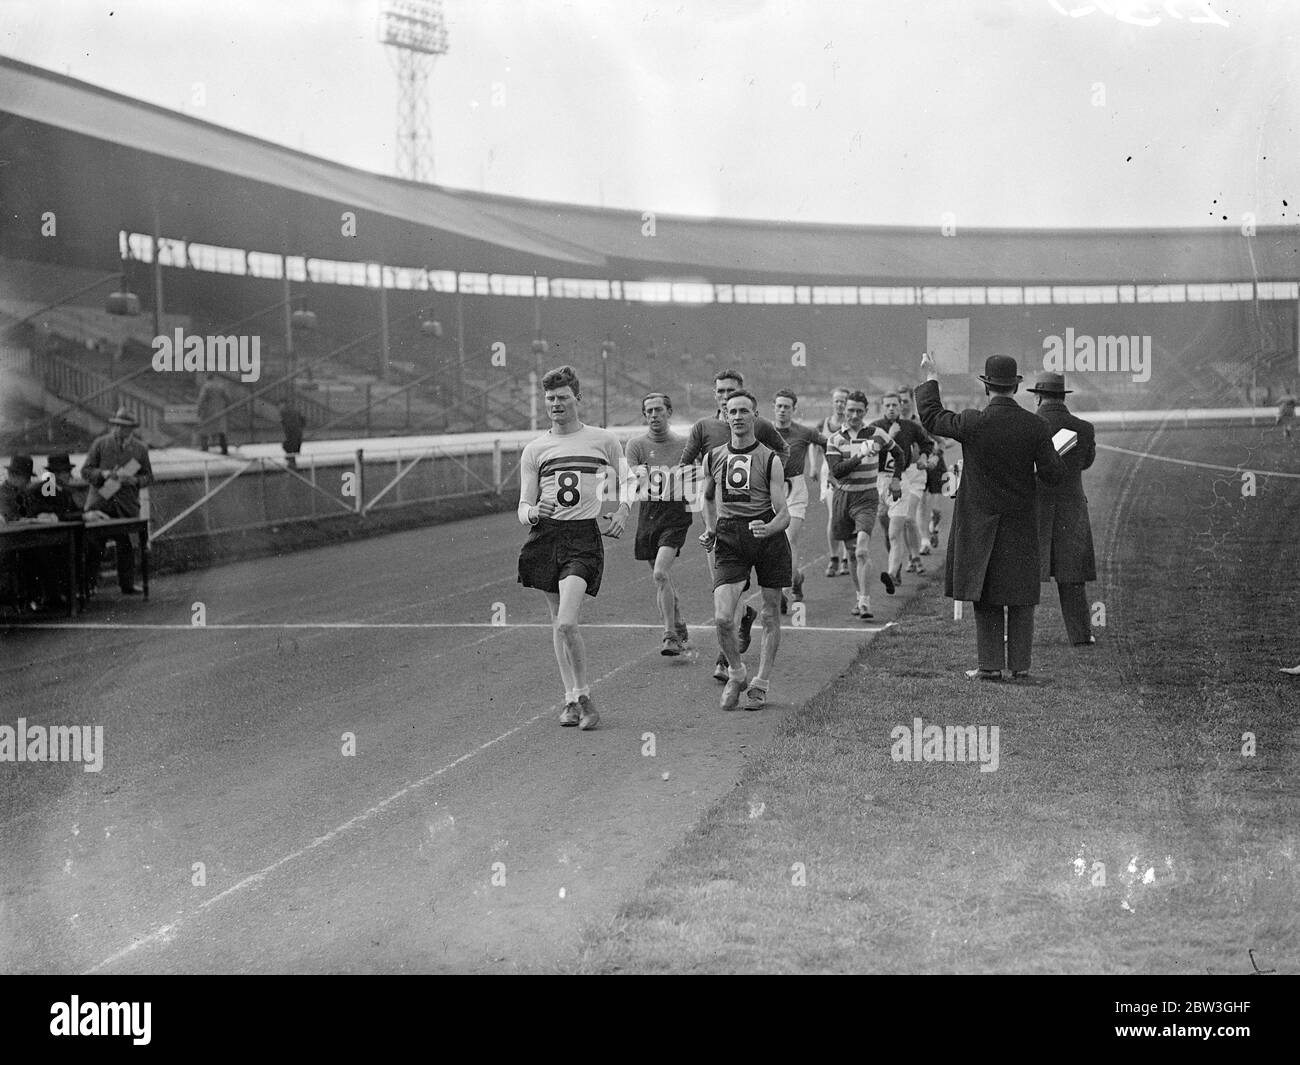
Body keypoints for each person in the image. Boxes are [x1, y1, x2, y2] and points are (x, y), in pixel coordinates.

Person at [917, 353, 1064, 681]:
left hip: (981, 523)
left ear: (987, 387)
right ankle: (1020, 667)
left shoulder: (972, 422)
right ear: (1015, 386)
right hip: (1022, 523)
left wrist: (931, 378)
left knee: (986, 595)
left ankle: (990, 665)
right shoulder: (1036, 425)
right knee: (1022, 596)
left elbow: (931, 416)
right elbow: (1053, 475)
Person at [517, 365, 630, 731]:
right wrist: (535, 512)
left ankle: (583, 696)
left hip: (583, 538)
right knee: (557, 622)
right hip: (545, 537)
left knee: (567, 621)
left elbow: (628, 481)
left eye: (563, 398)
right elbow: (522, 507)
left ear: (578, 399)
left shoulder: (604, 440)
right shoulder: (535, 449)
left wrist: (623, 511)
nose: (556, 404)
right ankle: (569, 699)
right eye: (550, 399)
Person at [680, 368, 789, 681]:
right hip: (728, 533)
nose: (736, 414)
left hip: (766, 534)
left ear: (754, 414)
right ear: (723, 413)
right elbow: (707, 495)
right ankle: (735, 668)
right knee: (723, 614)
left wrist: (770, 517)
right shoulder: (709, 445)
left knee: (770, 613)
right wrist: (711, 527)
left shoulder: (769, 450)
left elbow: (783, 509)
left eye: (743, 410)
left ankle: (760, 681)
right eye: (730, 408)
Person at [1029, 372, 1098, 646]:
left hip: (1035, 508)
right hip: (1071, 508)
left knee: (1026, 576)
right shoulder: (1083, 428)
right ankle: (1081, 635)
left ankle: (1018, 634)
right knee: (1072, 577)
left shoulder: (1031, 425)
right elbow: (1086, 463)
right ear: (1063, 395)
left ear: (1038, 396)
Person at [826, 391, 905, 621]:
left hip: (866, 498)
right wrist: (860, 456)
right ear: (845, 411)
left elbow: (898, 454)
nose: (854, 415)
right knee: (851, 553)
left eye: (859, 411)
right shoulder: (835, 439)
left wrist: (896, 479)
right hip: (843, 497)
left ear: (866, 412)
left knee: (861, 549)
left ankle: (866, 602)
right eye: (850, 410)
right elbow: (837, 471)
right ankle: (859, 596)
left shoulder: (877, 434)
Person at [625, 392, 692, 656]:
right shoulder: (635, 445)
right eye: (649, 411)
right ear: (644, 415)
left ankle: (670, 635)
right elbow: (630, 479)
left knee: (660, 573)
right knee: (660, 577)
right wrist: (636, 475)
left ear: (669, 412)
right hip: (649, 513)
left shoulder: (685, 445)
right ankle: (679, 618)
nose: (653, 415)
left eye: (658, 410)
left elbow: (698, 475)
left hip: (676, 512)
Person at [82, 407, 154, 595]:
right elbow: (86, 471)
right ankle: (89, 585)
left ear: (132, 429)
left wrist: (135, 480)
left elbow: (148, 477)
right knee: (95, 546)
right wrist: (104, 474)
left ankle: (127, 584)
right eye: (117, 426)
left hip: (127, 506)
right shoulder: (100, 444)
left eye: (125, 427)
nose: (120, 430)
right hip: (101, 504)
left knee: (127, 546)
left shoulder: (140, 449)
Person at [869, 391, 933, 591]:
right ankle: (895, 567)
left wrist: (923, 457)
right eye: (887, 405)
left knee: (896, 532)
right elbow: (870, 450)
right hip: (877, 481)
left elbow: (928, 443)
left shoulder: (910, 426)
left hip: (899, 480)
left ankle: (891, 573)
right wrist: (891, 435)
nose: (891, 409)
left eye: (894, 405)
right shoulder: (874, 428)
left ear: (900, 407)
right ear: (882, 407)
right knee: (887, 531)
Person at [771, 389, 827, 612]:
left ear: (794, 409)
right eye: (779, 406)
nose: (782, 410)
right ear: (774, 407)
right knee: (773, 545)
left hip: (795, 490)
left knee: (788, 539)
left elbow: (829, 444)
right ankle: (797, 578)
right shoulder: (764, 431)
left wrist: (830, 469)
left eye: (787, 407)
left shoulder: (804, 432)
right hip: (770, 490)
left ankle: (785, 593)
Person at [22, 454, 86, 609]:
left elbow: (69, 511)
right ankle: (58, 595)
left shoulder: (61, 488)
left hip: (56, 534)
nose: (68, 475)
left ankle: (66, 592)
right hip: (45, 537)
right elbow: (52, 510)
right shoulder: (49, 486)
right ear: (57, 473)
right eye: (65, 472)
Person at [816, 387, 852, 577]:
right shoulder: (824, 423)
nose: (840, 404)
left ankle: (846, 559)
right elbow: (814, 445)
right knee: (833, 515)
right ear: (832, 402)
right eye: (837, 401)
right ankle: (834, 558)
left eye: (843, 401)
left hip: (847, 470)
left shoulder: (852, 425)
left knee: (847, 515)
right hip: (828, 471)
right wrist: (814, 466)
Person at [195, 373, 230, 455]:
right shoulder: (221, 386)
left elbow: (201, 399)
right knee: (221, 432)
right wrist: (226, 407)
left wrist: (199, 411)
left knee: (204, 430)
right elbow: (227, 398)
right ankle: (224, 449)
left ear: (207, 378)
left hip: (208, 412)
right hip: (220, 412)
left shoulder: (206, 386)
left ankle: (204, 447)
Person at [280, 400, 307, 469]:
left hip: (293, 434)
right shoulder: (292, 412)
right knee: (290, 449)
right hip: (295, 434)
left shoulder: (287, 413)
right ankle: (292, 465)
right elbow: (303, 420)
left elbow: (288, 424)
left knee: (289, 448)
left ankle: (292, 466)